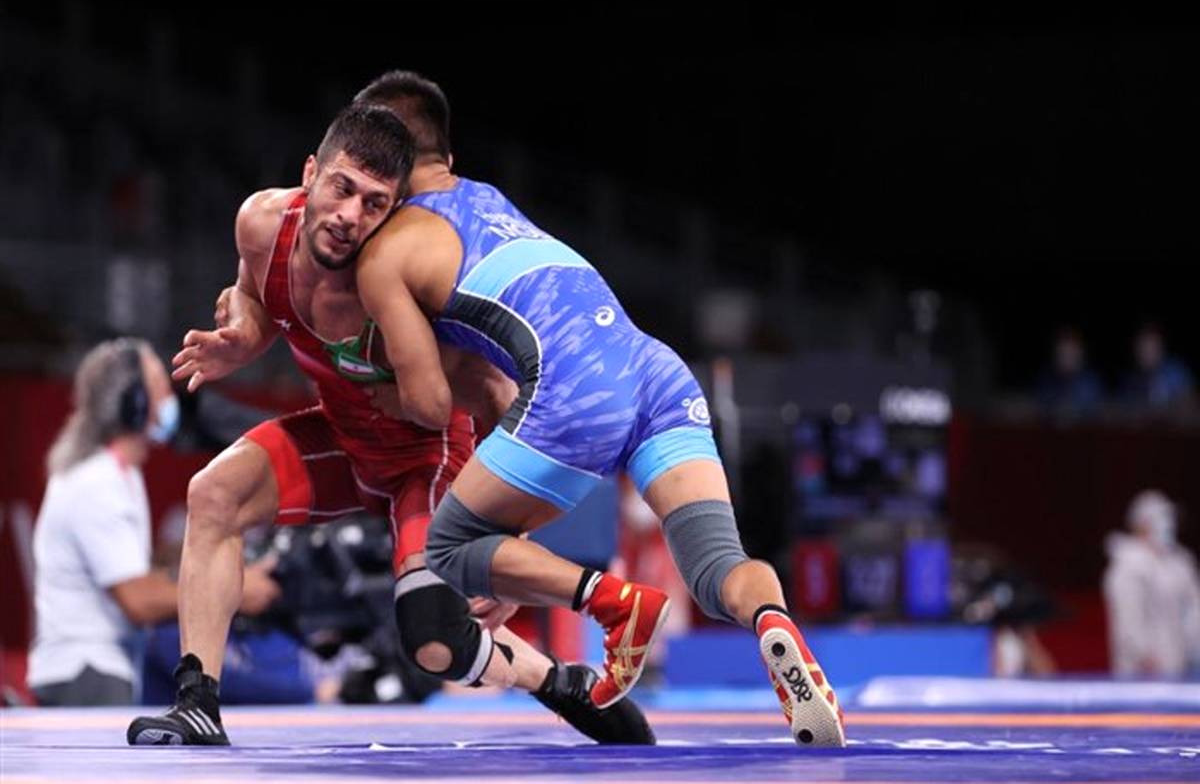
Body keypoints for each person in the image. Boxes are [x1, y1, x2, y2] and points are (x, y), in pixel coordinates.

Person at [128, 103, 651, 746]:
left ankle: (556, 681)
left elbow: (498, 395)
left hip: (424, 462)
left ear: (394, 211)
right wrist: (241, 337)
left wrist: (504, 547)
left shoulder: (402, 282)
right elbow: (255, 294)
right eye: (341, 188)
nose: (350, 216)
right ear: (310, 173)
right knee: (213, 493)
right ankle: (197, 705)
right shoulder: (261, 222)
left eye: (374, 204)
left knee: (435, 645)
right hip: (343, 439)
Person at [352, 71, 844, 746]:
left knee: (447, 545)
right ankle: (775, 624)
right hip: (655, 369)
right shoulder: (488, 199)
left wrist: (390, 391)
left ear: (379, 157)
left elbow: (434, 404)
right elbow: (494, 385)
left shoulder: (388, 249)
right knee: (715, 568)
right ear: (448, 156)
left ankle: (618, 606)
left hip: (577, 386)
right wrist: (511, 563)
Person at [27, 338, 279, 706]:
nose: (170, 398)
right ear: (135, 402)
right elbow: (138, 599)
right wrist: (235, 591)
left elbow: (136, 571)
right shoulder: (97, 481)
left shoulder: (119, 475)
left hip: (94, 669)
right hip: (86, 672)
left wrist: (212, 559)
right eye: (161, 385)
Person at [1104, 490, 1200, 678]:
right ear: (1140, 525)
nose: (1168, 524)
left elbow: (1193, 608)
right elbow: (1128, 620)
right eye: (1160, 518)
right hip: (1145, 671)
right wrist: (1145, 657)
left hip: (1182, 664)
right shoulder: (1128, 565)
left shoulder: (1181, 562)